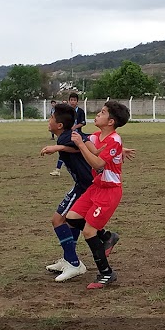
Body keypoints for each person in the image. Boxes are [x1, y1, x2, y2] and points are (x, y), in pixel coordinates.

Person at [40, 103, 134, 282]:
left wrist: (59, 148)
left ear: (59, 125)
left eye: (51, 118)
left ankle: (80, 264)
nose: (48, 120)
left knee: (60, 220)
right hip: (90, 185)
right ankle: (72, 258)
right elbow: (89, 142)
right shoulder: (87, 136)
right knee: (71, 219)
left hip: (91, 185)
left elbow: (89, 151)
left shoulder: (70, 137)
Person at [66, 100, 130, 289]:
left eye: (102, 112)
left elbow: (98, 164)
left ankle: (106, 273)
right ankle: (107, 237)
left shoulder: (114, 139)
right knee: (72, 217)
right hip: (96, 187)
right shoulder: (96, 136)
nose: (97, 114)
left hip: (110, 191)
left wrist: (82, 145)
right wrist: (58, 147)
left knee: (88, 231)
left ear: (111, 121)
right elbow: (84, 144)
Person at [50, 93, 87, 176]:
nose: (73, 102)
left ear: (77, 102)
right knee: (65, 151)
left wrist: (75, 127)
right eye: (71, 100)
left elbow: (83, 122)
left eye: (74, 100)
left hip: (77, 134)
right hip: (68, 134)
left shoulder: (80, 111)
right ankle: (58, 169)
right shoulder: (65, 111)